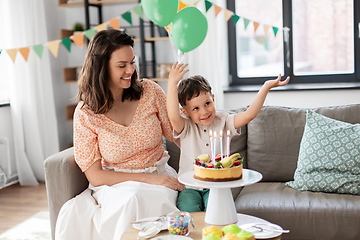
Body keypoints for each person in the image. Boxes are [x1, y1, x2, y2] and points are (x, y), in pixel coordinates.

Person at [54, 29, 185, 240]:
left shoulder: (149, 91)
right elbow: (95, 175)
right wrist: (150, 180)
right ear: (101, 68)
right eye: (122, 65)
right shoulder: (86, 113)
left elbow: (177, 133)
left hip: (158, 174)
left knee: (146, 200)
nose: (131, 70)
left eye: (132, 62)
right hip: (116, 186)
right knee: (133, 197)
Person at [166, 62, 290, 212]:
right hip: (189, 187)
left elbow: (249, 115)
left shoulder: (224, 120)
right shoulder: (186, 127)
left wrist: (265, 87)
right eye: (196, 108)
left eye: (207, 103)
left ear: (213, 98)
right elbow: (172, 116)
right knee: (189, 208)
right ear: (185, 112)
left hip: (217, 186)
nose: (204, 111)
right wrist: (172, 83)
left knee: (217, 210)